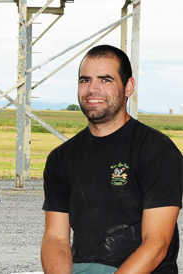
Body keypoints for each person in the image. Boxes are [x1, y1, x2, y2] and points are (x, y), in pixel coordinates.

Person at [40, 44, 182, 274]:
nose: (92, 89)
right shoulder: (61, 158)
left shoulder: (158, 151)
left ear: (129, 87)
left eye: (105, 80)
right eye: (85, 80)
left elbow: (156, 244)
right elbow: (55, 238)